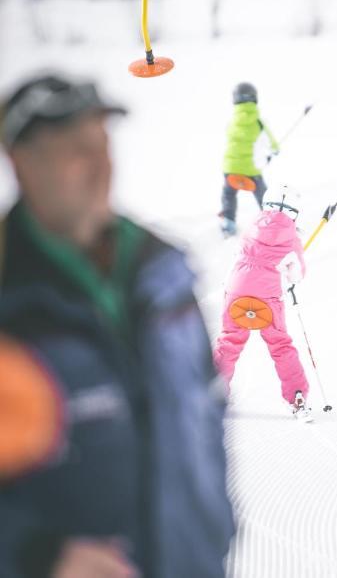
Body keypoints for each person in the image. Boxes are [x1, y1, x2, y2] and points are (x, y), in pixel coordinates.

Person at [0, 73, 235, 578]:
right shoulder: (9, 300)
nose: (102, 166)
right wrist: (33, 555)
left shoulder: (163, 272)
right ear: (21, 160)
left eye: (103, 144)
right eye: (76, 151)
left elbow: (203, 415)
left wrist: (216, 529)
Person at [214, 185, 311, 420]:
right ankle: (296, 395)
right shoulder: (292, 239)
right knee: (279, 344)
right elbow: (297, 274)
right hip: (267, 297)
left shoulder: (251, 226)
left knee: (229, 341)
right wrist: (292, 255)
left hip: (236, 290)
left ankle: (213, 394)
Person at [220, 82, 279, 237]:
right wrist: (273, 151)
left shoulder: (232, 122)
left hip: (230, 168)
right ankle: (271, 222)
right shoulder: (258, 122)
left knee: (228, 194)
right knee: (263, 195)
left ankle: (228, 221)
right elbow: (272, 144)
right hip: (250, 170)